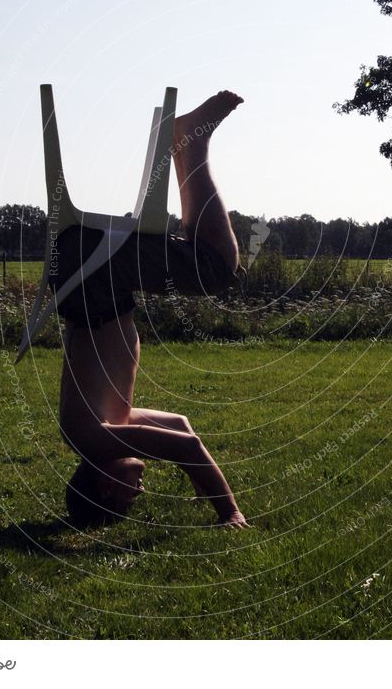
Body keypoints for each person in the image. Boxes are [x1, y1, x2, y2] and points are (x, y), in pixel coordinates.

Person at [51, 91, 249, 529]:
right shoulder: (105, 428)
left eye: (126, 498)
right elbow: (181, 427)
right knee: (204, 258)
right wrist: (199, 477)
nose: (139, 492)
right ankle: (187, 143)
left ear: (104, 486)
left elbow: (186, 449)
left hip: (90, 276)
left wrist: (228, 511)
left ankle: (190, 142)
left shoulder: (95, 438)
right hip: (92, 280)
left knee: (216, 268)